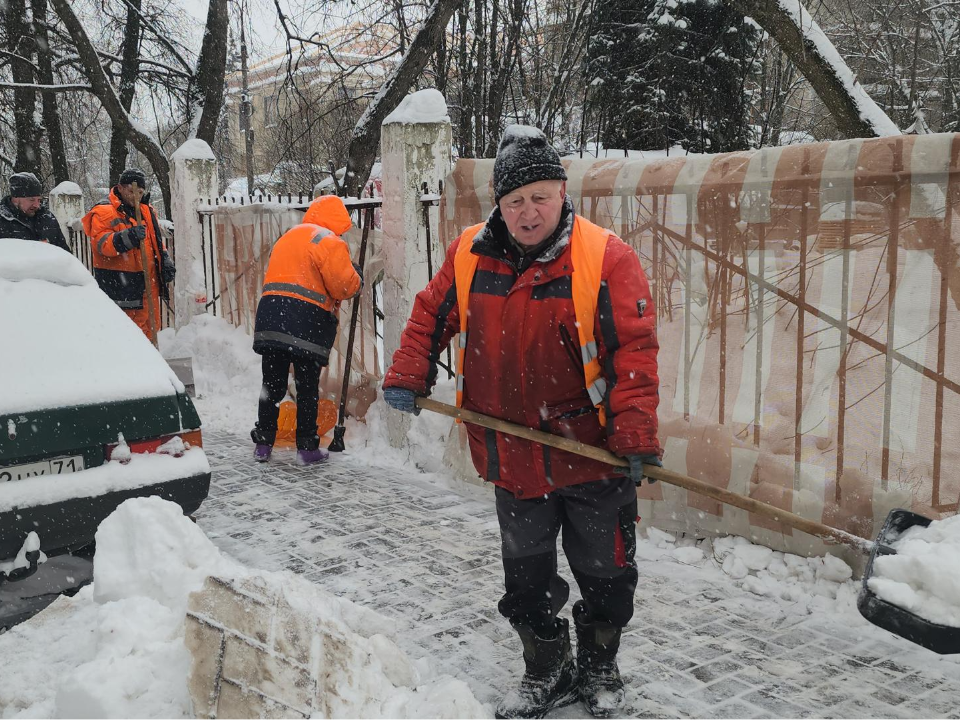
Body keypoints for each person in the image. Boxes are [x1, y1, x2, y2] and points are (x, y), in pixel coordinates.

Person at [382, 125, 661, 720]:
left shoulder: (606, 257)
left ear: (562, 191)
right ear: (499, 206)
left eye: (539, 196)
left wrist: (634, 434)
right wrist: (409, 372)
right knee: (526, 579)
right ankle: (546, 667)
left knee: (607, 573)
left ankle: (600, 665)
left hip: (590, 454)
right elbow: (431, 313)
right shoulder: (469, 254)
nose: (528, 211)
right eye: (515, 201)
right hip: (511, 452)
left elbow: (633, 353)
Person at [251, 195, 362, 465]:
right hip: (307, 322)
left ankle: (264, 443)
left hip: (271, 317)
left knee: (272, 384)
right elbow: (343, 287)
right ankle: (307, 447)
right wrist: (356, 274)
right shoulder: (329, 240)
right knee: (307, 386)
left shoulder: (289, 236)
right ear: (338, 221)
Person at [82, 168, 175, 343]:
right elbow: (102, 245)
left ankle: (151, 365)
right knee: (129, 335)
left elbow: (154, 240)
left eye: (140, 192)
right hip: (123, 287)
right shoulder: (104, 212)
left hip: (148, 286)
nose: (136, 197)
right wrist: (129, 236)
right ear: (121, 188)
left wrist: (164, 260)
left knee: (151, 330)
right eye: (132, 191)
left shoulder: (147, 210)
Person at [0, 172, 69, 251]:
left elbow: (65, 253)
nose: (37, 205)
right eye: (31, 200)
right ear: (15, 198)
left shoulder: (47, 218)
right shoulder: (2, 221)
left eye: (39, 200)